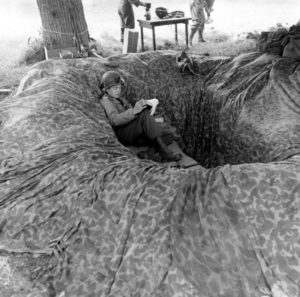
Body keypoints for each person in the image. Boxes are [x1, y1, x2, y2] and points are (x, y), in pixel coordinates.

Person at [100, 71, 182, 162]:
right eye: (115, 88)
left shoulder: (119, 98)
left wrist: (141, 106)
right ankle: (166, 153)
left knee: (169, 136)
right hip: (124, 134)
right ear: (106, 89)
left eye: (119, 87)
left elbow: (131, 111)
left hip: (134, 131)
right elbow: (114, 120)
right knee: (144, 114)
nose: (118, 90)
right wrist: (135, 111)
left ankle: (148, 153)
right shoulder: (106, 101)